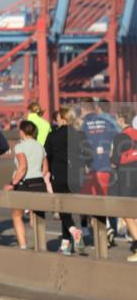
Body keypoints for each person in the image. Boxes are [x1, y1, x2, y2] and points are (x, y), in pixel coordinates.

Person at [46, 108, 90, 255]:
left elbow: (47, 156)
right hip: (77, 176)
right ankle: (65, 246)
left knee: (63, 208)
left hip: (59, 175)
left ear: (63, 119)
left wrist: (48, 172)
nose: (56, 120)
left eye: (58, 117)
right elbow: (89, 155)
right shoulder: (80, 135)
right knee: (68, 210)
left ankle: (73, 231)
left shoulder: (53, 135)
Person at [80, 102, 121, 247]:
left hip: (91, 168)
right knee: (103, 200)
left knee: (88, 203)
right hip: (107, 167)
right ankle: (109, 227)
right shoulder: (110, 123)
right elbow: (119, 140)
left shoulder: (84, 125)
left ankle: (100, 230)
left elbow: (81, 147)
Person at [4, 121, 48, 249]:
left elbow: (23, 167)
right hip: (39, 183)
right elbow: (45, 170)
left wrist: (12, 183)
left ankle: (23, 247)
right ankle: (41, 246)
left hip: (24, 184)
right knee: (37, 216)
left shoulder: (20, 147)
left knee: (17, 215)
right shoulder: (40, 146)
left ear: (22, 132)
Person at [109, 110, 137, 262]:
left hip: (127, 176)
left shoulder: (120, 137)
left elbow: (114, 161)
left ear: (121, 120)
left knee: (127, 213)